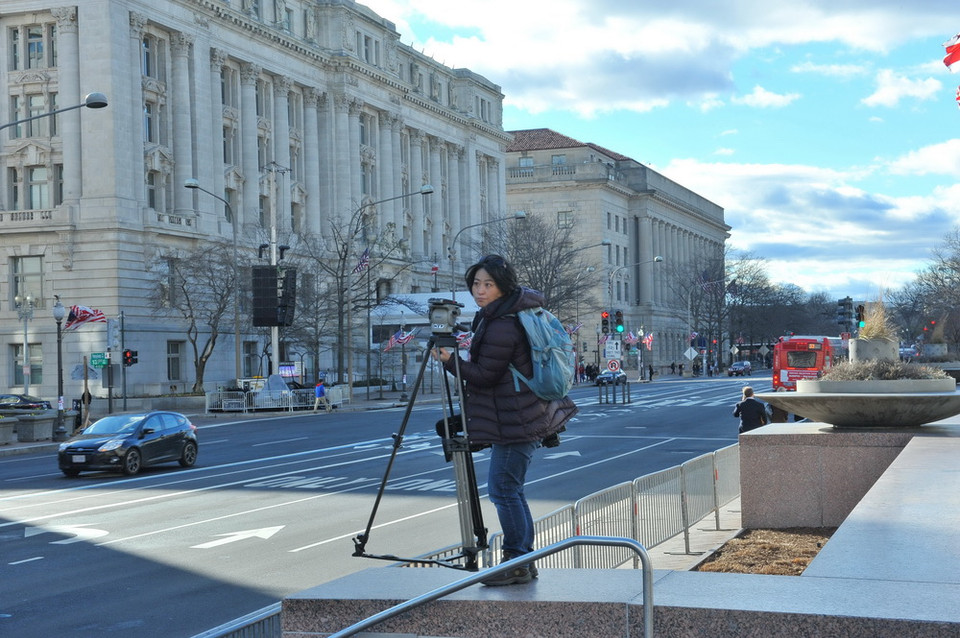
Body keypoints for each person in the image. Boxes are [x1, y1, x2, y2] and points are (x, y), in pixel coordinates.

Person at [433, 254, 578, 586]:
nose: (480, 291)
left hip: (518, 419)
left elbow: (484, 375)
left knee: (502, 490)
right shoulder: (499, 315)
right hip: (518, 415)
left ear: (503, 286)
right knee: (511, 489)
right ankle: (523, 560)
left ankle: (515, 561)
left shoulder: (502, 323)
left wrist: (448, 360)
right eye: (475, 284)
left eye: (488, 284)